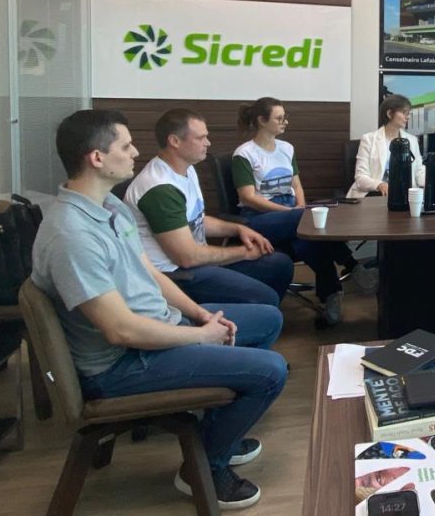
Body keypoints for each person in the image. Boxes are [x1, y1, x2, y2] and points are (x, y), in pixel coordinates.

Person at [32, 109, 288, 510]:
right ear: (96, 158)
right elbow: (121, 331)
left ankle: (216, 435)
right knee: (270, 371)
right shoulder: (71, 235)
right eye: (125, 146)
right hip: (123, 364)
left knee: (268, 319)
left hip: (157, 329)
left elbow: (149, 272)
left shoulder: (109, 207)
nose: (136, 152)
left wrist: (199, 315)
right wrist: (201, 335)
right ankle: (205, 466)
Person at [125, 108, 294, 308]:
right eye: (201, 138)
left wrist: (238, 229)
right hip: (175, 275)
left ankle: (256, 318)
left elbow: (197, 220)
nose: (208, 143)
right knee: (264, 298)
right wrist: (244, 252)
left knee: (280, 265)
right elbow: (187, 257)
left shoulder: (186, 169)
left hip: (196, 262)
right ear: (175, 141)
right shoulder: (160, 188)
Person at [232, 97, 374, 325]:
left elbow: (296, 184)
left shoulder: (286, 148)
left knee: (306, 241)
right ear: (261, 120)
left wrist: (299, 206)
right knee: (310, 220)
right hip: (258, 218)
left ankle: (332, 294)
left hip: (291, 212)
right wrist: (291, 212)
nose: (285, 122)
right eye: (279, 118)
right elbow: (248, 197)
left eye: (284, 117)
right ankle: (352, 265)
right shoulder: (244, 154)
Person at [347, 94, 426, 198]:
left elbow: (419, 171)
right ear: (389, 114)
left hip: (405, 195)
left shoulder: (412, 140)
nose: (408, 117)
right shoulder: (369, 139)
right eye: (404, 113)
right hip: (375, 195)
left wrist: (430, 181)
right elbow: (361, 178)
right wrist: (380, 185)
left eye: (408, 113)